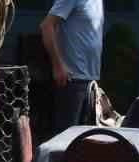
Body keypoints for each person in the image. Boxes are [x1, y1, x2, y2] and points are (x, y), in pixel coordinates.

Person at [40, 0, 104, 137]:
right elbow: (47, 26)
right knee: (65, 138)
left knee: (84, 138)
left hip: (90, 80)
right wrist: (58, 66)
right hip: (71, 79)